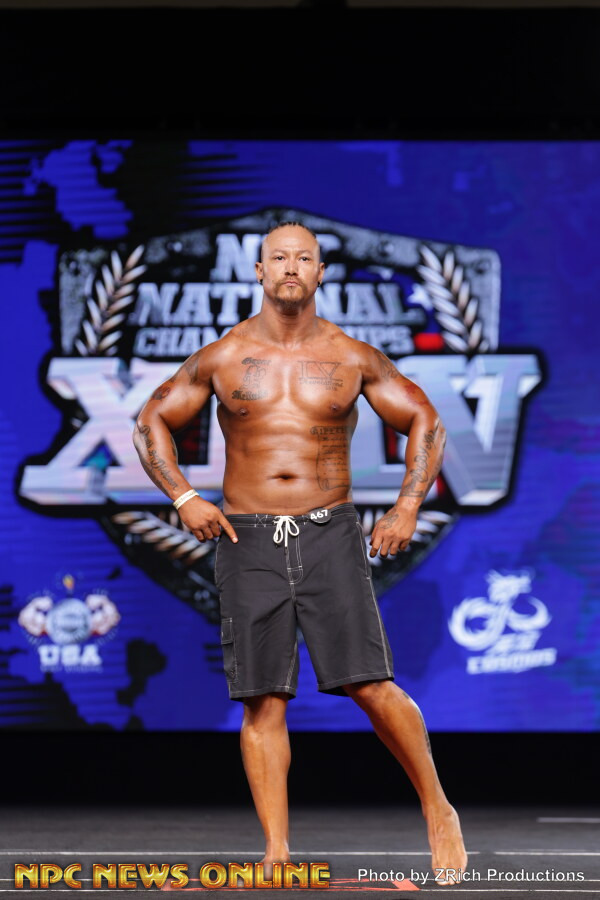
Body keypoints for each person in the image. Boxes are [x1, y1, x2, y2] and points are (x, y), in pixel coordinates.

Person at [132, 221, 468, 885]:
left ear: (320, 272)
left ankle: (438, 808)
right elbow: (151, 421)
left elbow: (424, 418)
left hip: (327, 531)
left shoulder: (352, 356)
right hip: (247, 536)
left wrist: (407, 505)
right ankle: (277, 851)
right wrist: (183, 497)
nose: (291, 267)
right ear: (259, 271)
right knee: (263, 700)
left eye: (304, 258)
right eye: (279, 257)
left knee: (370, 684)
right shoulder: (223, 356)